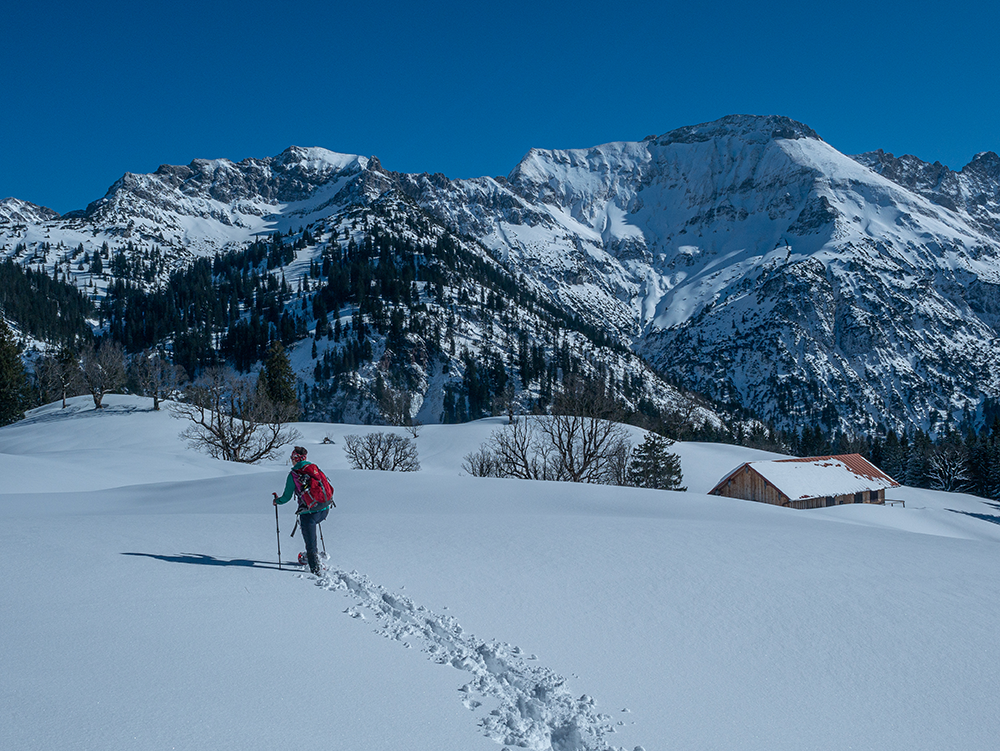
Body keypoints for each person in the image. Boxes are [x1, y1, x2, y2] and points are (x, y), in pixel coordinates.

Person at [272, 446, 334, 575]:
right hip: (325, 508)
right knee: (312, 535)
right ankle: (311, 556)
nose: (291, 460)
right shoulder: (314, 468)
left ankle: (315, 568)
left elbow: (286, 497)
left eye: (292, 458)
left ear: (295, 458)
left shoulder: (294, 475)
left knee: (310, 543)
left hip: (308, 514)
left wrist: (277, 501)